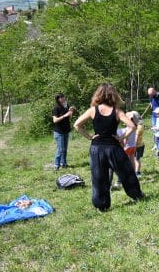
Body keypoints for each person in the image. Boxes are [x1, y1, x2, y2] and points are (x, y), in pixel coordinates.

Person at [74, 83, 145, 211]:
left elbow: (77, 125)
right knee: (127, 172)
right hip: (113, 148)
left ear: (98, 95)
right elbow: (133, 126)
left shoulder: (92, 110)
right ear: (113, 95)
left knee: (98, 177)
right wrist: (121, 138)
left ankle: (102, 206)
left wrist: (90, 137)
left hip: (97, 149)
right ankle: (136, 195)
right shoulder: (117, 111)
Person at [52, 93, 75, 171]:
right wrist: (65, 115)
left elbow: (69, 116)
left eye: (63, 96)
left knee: (65, 149)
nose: (62, 98)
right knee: (60, 149)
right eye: (60, 97)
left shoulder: (66, 105)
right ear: (57, 99)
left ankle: (64, 164)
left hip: (66, 130)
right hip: (59, 132)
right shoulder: (56, 108)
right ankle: (56, 165)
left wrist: (71, 111)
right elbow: (55, 120)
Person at [134, 112, 145, 178]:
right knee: (138, 159)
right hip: (141, 144)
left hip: (137, 146)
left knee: (136, 160)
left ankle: (137, 173)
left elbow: (136, 138)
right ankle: (137, 171)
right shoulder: (142, 125)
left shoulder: (138, 128)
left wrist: (133, 145)